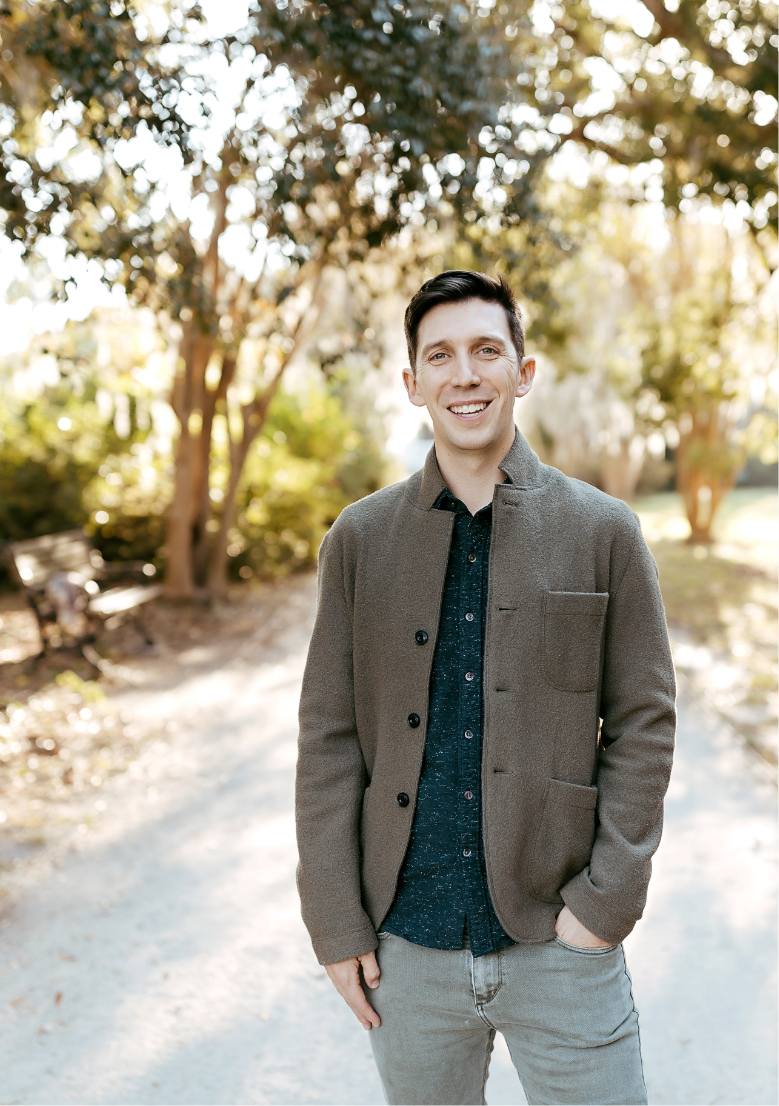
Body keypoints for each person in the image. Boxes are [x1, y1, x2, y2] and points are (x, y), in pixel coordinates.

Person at [296, 270, 676, 1105]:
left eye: (484, 351)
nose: (463, 374)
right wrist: (334, 922)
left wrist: (604, 904)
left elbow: (645, 720)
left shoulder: (604, 530)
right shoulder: (358, 540)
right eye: (440, 356)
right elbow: (327, 737)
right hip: (407, 952)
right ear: (412, 383)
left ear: (522, 371)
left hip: (560, 942)